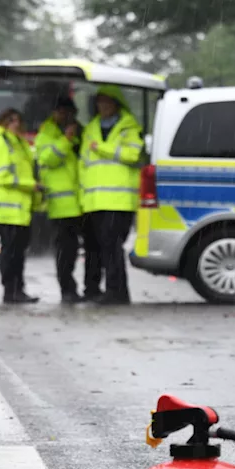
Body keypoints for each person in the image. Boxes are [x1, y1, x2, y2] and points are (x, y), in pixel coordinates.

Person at [79, 85, 143, 305]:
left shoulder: (129, 128)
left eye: (107, 102)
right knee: (102, 247)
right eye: (100, 102)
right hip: (95, 201)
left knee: (112, 246)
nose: (103, 106)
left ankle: (117, 292)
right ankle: (109, 291)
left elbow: (133, 155)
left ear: (116, 104)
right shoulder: (91, 129)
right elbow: (84, 165)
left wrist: (103, 148)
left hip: (120, 200)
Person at [35, 96, 100, 303]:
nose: (66, 116)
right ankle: (68, 291)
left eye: (69, 112)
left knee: (93, 248)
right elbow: (47, 159)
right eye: (61, 112)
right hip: (62, 205)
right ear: (54, 113)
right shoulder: (47, 134)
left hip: (85, 202)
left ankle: (92, 288)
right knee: (66, 251)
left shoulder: (84, 131)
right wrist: (66, 139)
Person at [0, 108, 39, 304]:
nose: (16, 124)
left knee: (18, 252)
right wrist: (31, 186)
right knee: (10, 251)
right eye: (11, 120)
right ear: (3, 122)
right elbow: (1, 176)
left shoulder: (19, 144)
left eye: (18, 120)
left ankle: (18, 289)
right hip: (5, 209)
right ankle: (10, 290)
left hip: (20, 208)